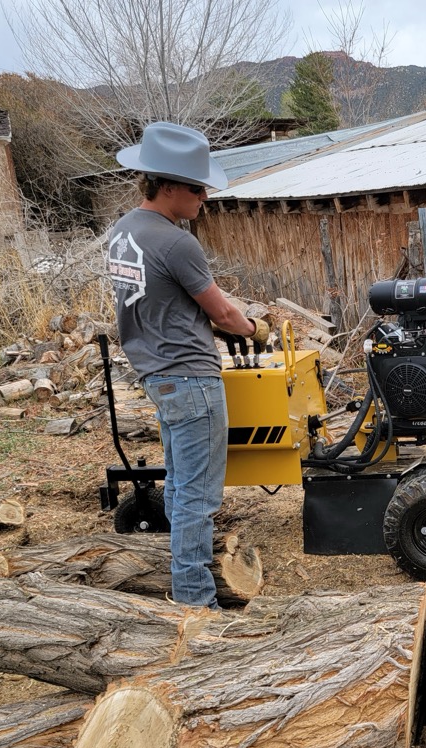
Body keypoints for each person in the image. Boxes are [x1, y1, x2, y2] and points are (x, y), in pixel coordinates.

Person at [106, 121, 263, 610]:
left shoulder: (123, 232)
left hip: (157, 374)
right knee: (198, 496)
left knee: (178, 483)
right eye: (197, 188)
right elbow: (222, 312)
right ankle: (196, 603)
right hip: (192, 378)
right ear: (167, 184)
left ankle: (181, 575)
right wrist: (254, 328)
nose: (204, 198)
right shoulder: (177, 242)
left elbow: (163, 302)